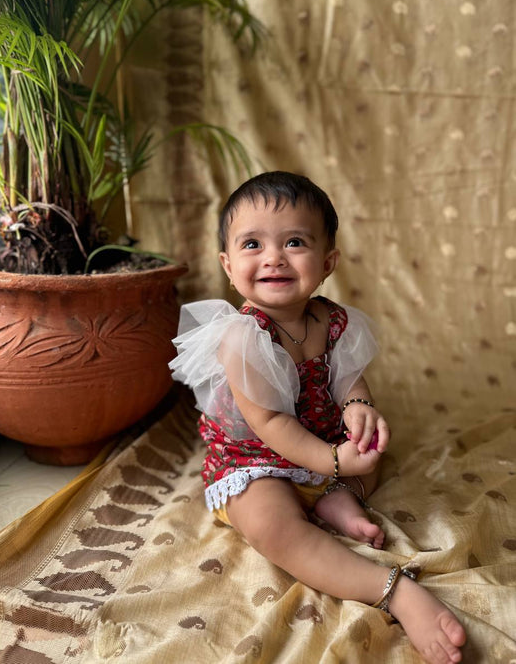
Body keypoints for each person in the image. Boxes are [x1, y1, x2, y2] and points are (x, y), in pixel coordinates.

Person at [169, 171, 466, 664]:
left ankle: (336, 500)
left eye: (294, 242)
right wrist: (334, 462)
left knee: (373, 454)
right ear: (227, 264)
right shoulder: (242, 337)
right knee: (270, 523)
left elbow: (348, 379)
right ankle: (393, 591)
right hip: (253, 461)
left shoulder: (332, 320)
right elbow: (271, 424)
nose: (273, 257)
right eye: (251, 244)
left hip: (322, 450)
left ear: (326, 262)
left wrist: (359, 410)